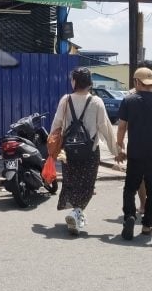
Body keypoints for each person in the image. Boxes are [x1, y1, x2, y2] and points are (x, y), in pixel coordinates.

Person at [47, 68, 120, 235]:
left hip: (68, 152)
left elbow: (56, 124)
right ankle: (76, 213)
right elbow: (105, 127)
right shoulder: (97, 101)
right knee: (87, 185)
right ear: (89, 83)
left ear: (74, 82)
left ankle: (76, 213)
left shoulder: (65, 100)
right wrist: (115, 151)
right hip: (90, 152)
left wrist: (52, 147)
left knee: (71, 182)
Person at [115, 67, 152, 240]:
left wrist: (120, 146)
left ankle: (130, 217)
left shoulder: (128, 101)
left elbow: (122, 126)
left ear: (136, 82)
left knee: (129, 189)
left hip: (135, 153)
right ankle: (147, 225)